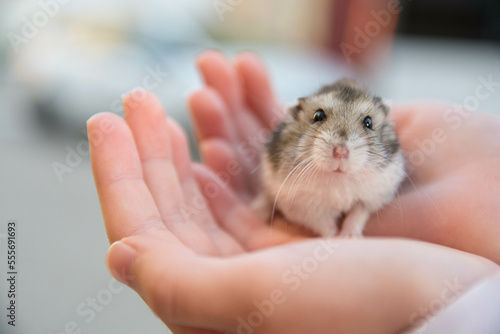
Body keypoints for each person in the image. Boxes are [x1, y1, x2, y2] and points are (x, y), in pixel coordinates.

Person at [87, 50, 500, 334]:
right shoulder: (291, 167)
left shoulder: (386, 170)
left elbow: (372, 200)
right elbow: (296, 204)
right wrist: (324, 230)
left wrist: (355, 221)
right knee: (276, 192)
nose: (341, 146)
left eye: (367, 125)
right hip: (291, 192)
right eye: (320, 119)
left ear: (384, 129)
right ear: (301, 121)